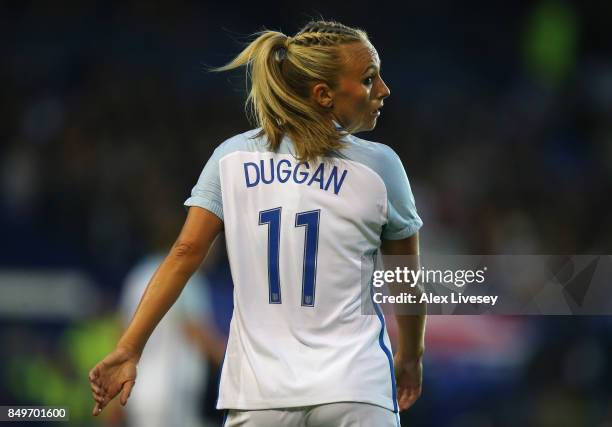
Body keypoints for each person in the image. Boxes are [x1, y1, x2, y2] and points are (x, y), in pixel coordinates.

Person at [89, 20, 426, 427]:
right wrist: (410, 357)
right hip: (355, 387)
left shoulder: (230, 159)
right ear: (323, 95)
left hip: (259, 396)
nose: (384, 89)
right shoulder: (380, 167)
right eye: (370, 79)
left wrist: (129, 347)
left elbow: (183, 254)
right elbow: (406, 281)